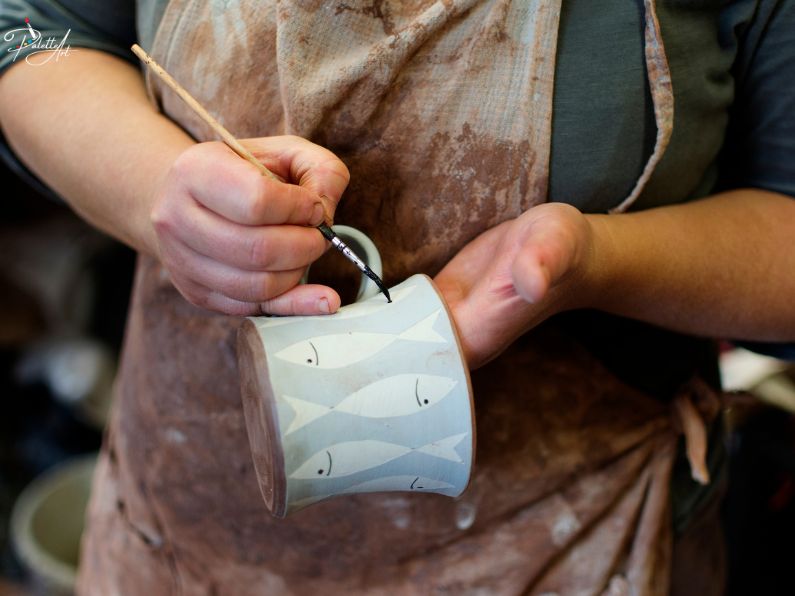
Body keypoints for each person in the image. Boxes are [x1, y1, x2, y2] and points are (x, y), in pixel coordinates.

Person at [1, 0, 794, 593]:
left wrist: (593, 264)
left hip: (572, 551)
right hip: (179, 541)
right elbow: (30, 29)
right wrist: (152, 190)